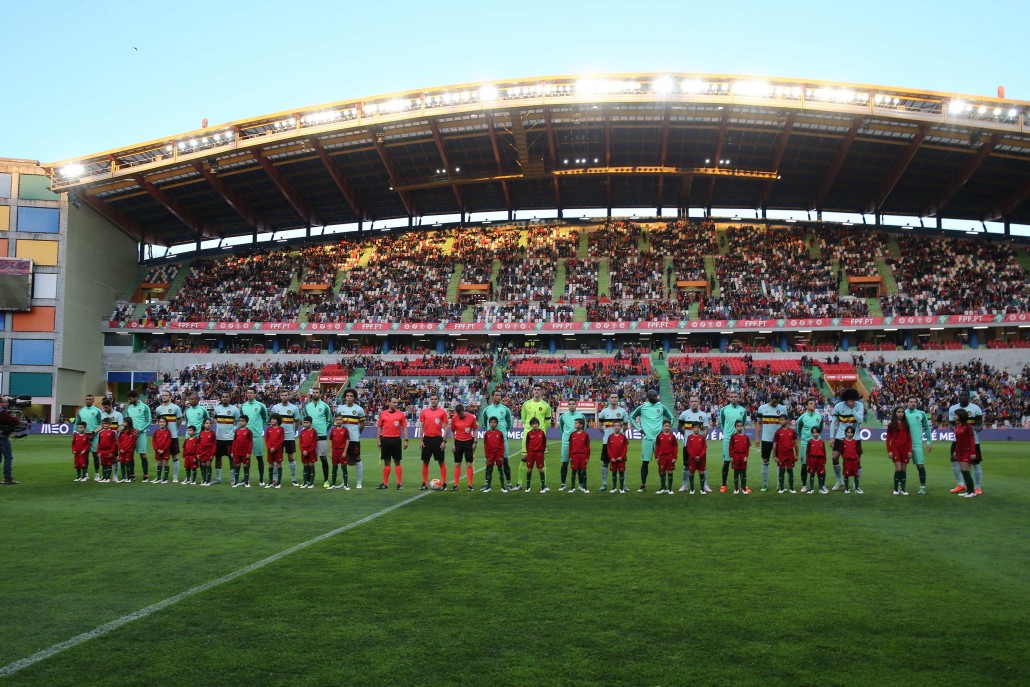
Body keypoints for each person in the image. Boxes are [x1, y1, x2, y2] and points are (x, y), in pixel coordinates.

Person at [629, 390, 675, 493]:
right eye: (653, 396)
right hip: (647, 439)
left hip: (659, 440)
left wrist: (668, 428)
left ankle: (663, 486)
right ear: (648, 396)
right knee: (645, 463)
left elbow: (671, 417)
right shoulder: (642, 407)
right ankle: (643, 485)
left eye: (656, 395)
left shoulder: (661, 407)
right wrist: (639, 428)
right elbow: (631, 417)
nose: (656, 397)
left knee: (661, 463)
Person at [948, 390, 984, 496]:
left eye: (965, 395)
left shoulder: (976, 408)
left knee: (975, 463)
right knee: (954, 460)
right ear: (958, 397)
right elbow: (950, 424)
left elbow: (980, 425)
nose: (963, 397)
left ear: (968, 397)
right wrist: (956, 429)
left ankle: (977, 487)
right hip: (958, 441)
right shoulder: (953, 408)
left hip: (973, 441)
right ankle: (960, 484)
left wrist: (973, 430)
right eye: (961, 395)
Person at [479, 390, 515, 489]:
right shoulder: (486, 410)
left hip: (502, 440)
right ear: (492, 397)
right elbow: (484, 424)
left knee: (505, 461)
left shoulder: (505, 409)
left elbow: (509, 424)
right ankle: (487, 484)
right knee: (489, 462)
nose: (499, 397)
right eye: (497, 395)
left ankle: (508, 484)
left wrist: (503, 433)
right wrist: (491, 434)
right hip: (491, 441)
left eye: (500, 395)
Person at [829, 388, 864, 490]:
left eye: (854, 399)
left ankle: (855, 484)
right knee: (835, 457)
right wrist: (832, 437)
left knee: (857, 460)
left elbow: (860, 420)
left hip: (855, 437)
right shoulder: (838, 407)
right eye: (850, 400)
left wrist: (853, 410)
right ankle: (839, 480)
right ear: (845, 399)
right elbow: (833, 423)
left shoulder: (859, 405)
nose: (852, 401)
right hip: (840, 436)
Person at [754, 391, 789, 492]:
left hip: (779, 441)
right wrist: (757, 438)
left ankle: (779, 484)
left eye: (778, 401)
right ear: (771, 398)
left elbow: (786, 424)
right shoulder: (762, 408)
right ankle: (764, 484)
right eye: (774, 401)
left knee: (779, 462)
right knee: (765, 461)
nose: (776, 403)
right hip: (766, 440)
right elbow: (758, 423)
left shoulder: (782, 409)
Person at [677, 394, 713, 493]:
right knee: (686, 466)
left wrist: (702, 439)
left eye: (695, 401)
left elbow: (705, 429)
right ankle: (684, 485)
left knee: (703, 467)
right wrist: (686, 435)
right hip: (687, 446)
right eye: (692, 401)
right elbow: (679, 426)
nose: (694, 403)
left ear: (698, 402)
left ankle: (705, 485)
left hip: (700, 446)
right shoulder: (684, 414)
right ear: (689, 402)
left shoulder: (703, 415)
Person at [597, 392, 630, 492]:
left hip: (619, 443)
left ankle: (623, 485)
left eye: (616, 397)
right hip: (607, 442)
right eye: (612, 397)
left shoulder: (623, 411)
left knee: (622, 463)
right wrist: (608, 434)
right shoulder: (604, 411)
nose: (614, 399)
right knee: (605, 463)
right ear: (609, 399)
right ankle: (604, 484)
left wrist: (619, 436)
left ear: (618, 399)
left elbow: (625, 426)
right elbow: (599, 426)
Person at [717, 390, 749, 493]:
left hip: (739, 440)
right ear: (729, 398)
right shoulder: (724, 410)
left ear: (739, 397)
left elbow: (743, 423)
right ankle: (723, 485)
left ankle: (743, 486)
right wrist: (727, 433)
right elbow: (722, 423)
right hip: (727, 439)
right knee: (726, 462)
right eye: (732, 396)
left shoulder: (743, 410)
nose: (734, 398)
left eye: (735, 396)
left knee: (742, 463)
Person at [333, 388, 365, 489]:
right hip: (343, 439)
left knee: (357, 458)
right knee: (343, 459)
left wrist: (357, 434)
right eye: (347, 396)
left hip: (354, 438)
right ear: (345, 397)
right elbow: (337, 423)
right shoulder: (340, 409)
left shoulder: (359, 409)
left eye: (351, 396)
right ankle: (344, 482)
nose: (349, 398)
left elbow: (362, 424)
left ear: (354, 398)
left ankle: (359, 482)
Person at [303, 388, 334, 489]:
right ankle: (307, 481)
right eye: (314, 393)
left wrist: (324, 430)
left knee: (323, 458)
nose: (315, 394)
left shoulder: (325, 406)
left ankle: (326, 480)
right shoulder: (307, 407)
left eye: (317, 392)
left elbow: (329, 421)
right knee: (308, 459)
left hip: (321, 436)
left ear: (320, 394)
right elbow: (306, 419)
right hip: (310, 436)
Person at [417, 393, 449, 490]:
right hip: (427, 439)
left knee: (441, 462)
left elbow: (446, 427)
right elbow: (421, 426)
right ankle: (424, 483)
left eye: (435, 399)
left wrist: (444, 441)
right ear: (430, 400)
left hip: (438, 439)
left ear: (438, 400)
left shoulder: (442, 412)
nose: (434, 400)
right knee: (425, 462)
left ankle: (444, 483)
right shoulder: (424, 412)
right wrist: (421, 440)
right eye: (432, 399)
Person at [270, 390, 302, 487]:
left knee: (290, 457)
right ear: (280, 396)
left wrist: (294, 431)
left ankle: (293, 479)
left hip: (289, 436)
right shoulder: (275, 408)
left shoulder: (294, 408)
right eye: (282, 395)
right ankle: (275, 479)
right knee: (276, 458)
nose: (284, 397)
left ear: (289, 396)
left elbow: (297, 421)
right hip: (277, 437)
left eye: (285, 395)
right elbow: (272, 421)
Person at [377, 397, 408, 490]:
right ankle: (385, 483)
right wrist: (378, 440)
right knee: (387, 462)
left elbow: (405, 427)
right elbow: (379, 427)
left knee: (397, 461)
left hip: (396, 440)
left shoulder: (401, 414)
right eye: (393, 402)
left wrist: (406, 440)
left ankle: (399, 483)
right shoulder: (383, 414)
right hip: (385, 439)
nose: (395, 404)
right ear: (389, 403)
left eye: (396, 402)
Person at [904, 396, 933, 495]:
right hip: (904, 445)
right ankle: (900, 486)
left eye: (914, 402)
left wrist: (929, 441)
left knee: (920, 466)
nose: (913, 403)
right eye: (911, 402)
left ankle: (922, 487)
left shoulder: (921, 414)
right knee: (902, 467)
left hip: (917, 445)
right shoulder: (902, 413)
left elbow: (926, 427)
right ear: (907, 403)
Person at [240, 388, 270, 487]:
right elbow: (242, 419)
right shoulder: (243, 406)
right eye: (248, 393)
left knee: (259, 457)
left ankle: (261, 480)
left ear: (255, 394)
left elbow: (265, 418)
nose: (249, 395)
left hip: (256, 435)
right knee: (245, 458)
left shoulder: (261, 406)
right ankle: (245, 479)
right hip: (245, 436)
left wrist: (258, 427)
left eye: (251, 393)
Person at [557, 399, 588, 491]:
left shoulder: (581, 416)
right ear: (567, 405)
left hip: (577, 444)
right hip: (566, 442)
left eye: (573, 404)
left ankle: (580, 484)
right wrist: (566, 437)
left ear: (576, 405)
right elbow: (561, 429)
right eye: (569, 404)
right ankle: (563, 484)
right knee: (564, 463)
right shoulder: (563, 416)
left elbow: (584, 428)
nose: (571, 405)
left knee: (578, 464)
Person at [795, 398, 824, 493]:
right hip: (806, 444)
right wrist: (805, 438)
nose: (813, 405)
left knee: (820, 464)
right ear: (806, 406)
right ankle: (804, 485)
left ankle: (821, 485)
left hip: (817, 444)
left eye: (814, 403)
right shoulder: (802, 418)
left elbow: (821, 429)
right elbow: (798, 431)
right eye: (811, 403)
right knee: (804, 465)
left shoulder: (819, 417)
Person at [154, 390, 184, 483]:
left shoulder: (175, 408)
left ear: (170, 397)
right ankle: (160, 477)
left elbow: (179, 419)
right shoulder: (158, 409)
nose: (164, 397)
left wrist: (174, 428)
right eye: (163, 395)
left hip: (173, 436)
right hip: (162, 437)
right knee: (161, 457)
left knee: (174, 456)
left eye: (166, 395)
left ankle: (175, 477)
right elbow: (160, 421)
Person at [123, 390, 152, 482]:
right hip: (130, 435)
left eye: (131, 399)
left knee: (142, 455)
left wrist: (140, 429)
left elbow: (148, 420)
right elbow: (126, 420)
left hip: (141, 435)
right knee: (130, 455)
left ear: (136, 397)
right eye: (128, 399)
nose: (129, 400)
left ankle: (145, 476)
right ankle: (132, 475)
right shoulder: (129, 408)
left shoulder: (144, 407)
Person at [449, 403, 478, 491]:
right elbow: (453, 431)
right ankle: (455, 485)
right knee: (457, 463)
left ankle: (470, 485)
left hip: (469, 442)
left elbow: (475, 429)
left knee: (469, 464)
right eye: (458, 414)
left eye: (460, 413)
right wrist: (453, 444)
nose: (459, 415)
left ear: (463, 411)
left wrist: (475, 442)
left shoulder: (471, 417)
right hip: (458, 442)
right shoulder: (454, 418)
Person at [212, 392, 240, 485]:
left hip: (230, 438)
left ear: (229, 398)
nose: (224, 398)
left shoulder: (234, 410)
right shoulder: (217, 409)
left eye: (226, 397)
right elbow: (215, 419)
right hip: (219, 438)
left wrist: (234, 429)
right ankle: (218, 478)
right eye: (223, 397)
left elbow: (239, 422)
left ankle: (233, 479)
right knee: (218, 458)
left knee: (231, 458)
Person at [74, 394, 103, 481]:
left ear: (93, 400)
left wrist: (94, 432)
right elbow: (77, 423)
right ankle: (85, 474)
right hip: (84, 437)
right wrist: (74, 432)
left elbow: (101, 424)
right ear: (85, 400)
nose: (88, 400)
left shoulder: (97, 411)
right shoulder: (81, 411)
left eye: (90, 399)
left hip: (95, 436)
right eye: (87, 399)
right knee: (84, 455)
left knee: (95, 455)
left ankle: (97, 474)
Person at [885, 406, 913, 495]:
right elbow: (888, 438)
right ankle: (896, 489)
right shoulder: (891, 425)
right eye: (898, 412)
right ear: (895, 413)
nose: (900, 413)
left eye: (902, 412)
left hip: (905, 449)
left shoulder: (906, 424)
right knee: (899, 469)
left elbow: (909, 438)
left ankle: (903, 489)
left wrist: (910, 450)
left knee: (904, 470)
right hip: (895, 448)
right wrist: (889, 451)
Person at [520, 384, 553, 457]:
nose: (536, 391)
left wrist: (541, 428)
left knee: (540, 458)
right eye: (535, 389)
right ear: (532, 391)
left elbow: (548, 421)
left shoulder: (546, 406)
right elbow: (524, 419)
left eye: (538, 390)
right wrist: (529, 427)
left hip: (540, 434)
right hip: (527, 433)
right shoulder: (526, 404)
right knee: (524, 458)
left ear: (542, 392)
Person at [953, 408, 978, 498]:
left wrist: (973, 452)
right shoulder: (957, 426)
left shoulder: (968, 427)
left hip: (967, 451)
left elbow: (972, 440)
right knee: (963, 471)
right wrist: (955, 451)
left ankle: (972, 492)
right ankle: (969, 491)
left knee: (966, 471)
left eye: (955, 415)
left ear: (960, 416)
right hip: (960, 451)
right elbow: (958, 440)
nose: (954, 416)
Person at [99, 398, 124, 483]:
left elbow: (121, 426)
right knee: (105, 458)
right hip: (106, 440)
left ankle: (115, 475)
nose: (104, 409)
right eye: (103, 408)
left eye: (106, 407)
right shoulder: (103, 414)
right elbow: (101, 426)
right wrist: (94, 432)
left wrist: (116, 433)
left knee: (115, 458)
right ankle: (105, 475)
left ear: (110, 406)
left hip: (115, 439)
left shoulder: (118, 414)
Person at [772, 415, 799, 494]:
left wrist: (796, 455)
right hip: (781, 454)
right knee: (781, 470)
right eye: (779, 420)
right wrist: (774, 456)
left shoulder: (792, 432)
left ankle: (791, 488)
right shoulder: (778, 432)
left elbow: (796, 444)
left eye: (782, 419)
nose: (780, 421)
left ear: (787, 421)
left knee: (790, 470)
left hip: (790, 453)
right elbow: (774, 445)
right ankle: (781, 488)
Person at [482, 416, 507, 492]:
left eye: (494, 422)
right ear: (489, 423)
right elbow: (485, 445)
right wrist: (487, 456)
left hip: (498, 454)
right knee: (489, 471)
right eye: (491, 422)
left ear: (497, 424)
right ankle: (488, 487)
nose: (493, 424)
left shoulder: (499, 433)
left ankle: (503, 487)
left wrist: (501, 456)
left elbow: (502, 445)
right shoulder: (487, 434)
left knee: (500, 470)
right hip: (490, 455)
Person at [523, 417, 548, 493]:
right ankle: (528, 487)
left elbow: (544, 443)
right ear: (531, 425)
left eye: (536, 423)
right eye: (533, 424)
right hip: (531, 453)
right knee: (529, 469)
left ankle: (543, 487)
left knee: (540, 469)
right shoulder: (529, 433)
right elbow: (527, 444)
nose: (534, 425)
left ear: (538, 424)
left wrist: (541, 451)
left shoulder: (541, 433)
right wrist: (529, 452)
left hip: (539, 453)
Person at [568, 417, 591, 493]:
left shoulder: (585, 435)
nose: (575, 424)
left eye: (576, 423)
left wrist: (587, 457)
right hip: (574, 456)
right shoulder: (572, 435)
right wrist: (570, 456)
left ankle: (585, 487)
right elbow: (570, 446)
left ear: (581, 425)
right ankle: (572, 487)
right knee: (573, 471)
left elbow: (588, 447)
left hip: (583, 456)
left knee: (584, 471)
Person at [655, 419, 678, 494]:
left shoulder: (672, 436)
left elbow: (675, 447)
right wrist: (656, 457)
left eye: (668, 426)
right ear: (662, 427)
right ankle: (663, 488)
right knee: (662, 472)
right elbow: (657, 447)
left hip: (670, 457)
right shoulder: (659, 436)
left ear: (670, 427)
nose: (667, 427)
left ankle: (670, 489)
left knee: (670, 472)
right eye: (665, 426)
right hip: (662, 457)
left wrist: (675, 457)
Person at [606, 420, 629, 494]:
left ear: (621, 427)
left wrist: (621, 457)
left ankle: (621, 488)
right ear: (613, 427)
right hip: (613, 459)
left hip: (621, 459)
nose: (617, 427)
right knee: (613, 473)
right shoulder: (610, 437)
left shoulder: (623, 437)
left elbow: (625, 448)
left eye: (618, 426)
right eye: (615, 426)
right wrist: (611, 457)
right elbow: (608, 448)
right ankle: (614, 487)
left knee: (621, 473)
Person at [684, 423, 707, 494]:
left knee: (701, 472)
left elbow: (704, 448)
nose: (696, 429)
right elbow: (688, 448)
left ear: (700, 429)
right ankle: (692, 489)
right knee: (691, 473)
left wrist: (699, 456)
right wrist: (694, 456)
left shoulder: (702, 438)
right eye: (695, 427)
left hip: (701, 459)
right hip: (692, 459)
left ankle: (702, 489)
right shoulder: (689, 437)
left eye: (698, 428)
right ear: (692, 429)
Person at [329, 415, 350, 490]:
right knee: (334, 468)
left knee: (344, 467)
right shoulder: (333, 430)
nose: (338, 421)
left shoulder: (345, 430)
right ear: (335, 421)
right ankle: (333, 484)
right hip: (335, 451)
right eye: (337, 419)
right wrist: (331, 452)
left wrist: (345, 451)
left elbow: (347, 441)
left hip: (342, 451)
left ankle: (345, 484)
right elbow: (331, 441)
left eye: (340, 419)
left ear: (342, 421)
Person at [231, 415, 254, 488]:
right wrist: (232, 451)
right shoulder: (237, 431)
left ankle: (246, 482)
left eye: (243, 421)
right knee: (237, 467)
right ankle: (235, 482)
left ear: (246, 422)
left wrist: (249, 452)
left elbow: (250, 442)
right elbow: (234, 441)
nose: (241, 422)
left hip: (245, 453)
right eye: (240, 421)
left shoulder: (248, 431)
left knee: (246, 467)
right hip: (237, 452)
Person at [729, 420, 750, 494]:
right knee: (736, 473)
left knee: (743, 473)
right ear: (735, 427)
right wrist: (731, 456)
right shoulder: (733, 437)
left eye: (741, 426)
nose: (740, 427)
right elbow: (730, 447)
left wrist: (746, 456)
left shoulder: (746, 437)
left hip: (743, 456)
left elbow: (747, 448)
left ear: (743, 427)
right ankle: (736, 489)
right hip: (736, 456)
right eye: (738, 426)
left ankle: (744, 488)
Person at [264, 414, 285, 489]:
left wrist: (275, 448)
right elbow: (266, 439)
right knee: (270, 464)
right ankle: (270, 482)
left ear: (278, 420)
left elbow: (281, 439)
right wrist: (269, 447)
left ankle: (278, 483)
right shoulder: (268, 429)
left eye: (274, 419)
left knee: (279, 464)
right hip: (270, 450)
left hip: (278, 450)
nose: (272, 420)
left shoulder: (281, 429)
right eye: (272, 419)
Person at [806, 427, 829, 495]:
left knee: (820, 474)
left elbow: (824, 452)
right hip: (812, 460)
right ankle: (811, 489)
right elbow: (807, 453)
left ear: (819, 433)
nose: (815, 434)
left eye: (817, 432)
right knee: (812, 474)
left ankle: (821, 488)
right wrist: (808, 462)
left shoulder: (822, 442)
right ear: (812, 433)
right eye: (814, 432)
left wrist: (824, 461)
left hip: (820, 460)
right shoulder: (810, 442)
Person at [298, 417, 319, 488]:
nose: (305, 424)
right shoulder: (302, 431)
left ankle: (311, 483)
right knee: (305, 466)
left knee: (311, 466)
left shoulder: (314, 432)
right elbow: (300, 442)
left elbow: (314, 444)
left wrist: (308, 451)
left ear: (311, 423)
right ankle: (305, 482)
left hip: (311, 452)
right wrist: (303, 450)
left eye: (307, 422)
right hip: (304, 452)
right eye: (304, 422)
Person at [840, 427, 862, 494]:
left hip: (854, 461)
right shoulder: (843, 442)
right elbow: (841, 451)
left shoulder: (855, 442)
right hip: (847, 461)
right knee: (846, 475)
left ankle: (856, 488)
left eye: (851, 433)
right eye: (848, 432)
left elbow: (859, 451)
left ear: (853, 433)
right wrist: (844, 457)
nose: (850, 434)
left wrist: (858, 459)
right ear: (846, 433)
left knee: (856, 475)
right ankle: (846, 489)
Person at [151, 417, 173, 484]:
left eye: (163, 422)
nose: (162, 423)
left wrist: (163, 450)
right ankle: (158, 478)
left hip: (165, 451)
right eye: (161, 422)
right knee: (159, 463)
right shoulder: (156, 432)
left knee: (165, 463)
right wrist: (157, 450)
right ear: (158, 423)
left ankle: (165, 479)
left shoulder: (168, 432)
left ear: (166, 423)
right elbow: (153, 442)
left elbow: (169, 442)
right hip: (157, 451)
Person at [198, 418, 216, 486]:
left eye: (209, 423)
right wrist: (198, 453)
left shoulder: (212, 433)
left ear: (211, 425)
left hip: (209, 452)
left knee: (208, 465)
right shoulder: (201, 433)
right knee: (202, 465)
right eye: (206, 423)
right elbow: (198, 443)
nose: (208, 425)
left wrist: (212, 453)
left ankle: (208, 481)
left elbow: (214, 444)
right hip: (202, 451)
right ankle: (204, 479)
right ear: (204, 424)